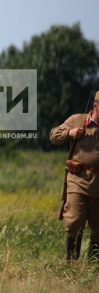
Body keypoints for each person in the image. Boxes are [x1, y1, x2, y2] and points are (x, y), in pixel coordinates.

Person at [50, 91, 99, 261]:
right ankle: (70, 262)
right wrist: (69, 133)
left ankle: (93, 266)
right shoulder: (77, 120)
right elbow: (53, 135)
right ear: (95, 107)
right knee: (74, 220)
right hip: (78, 180)